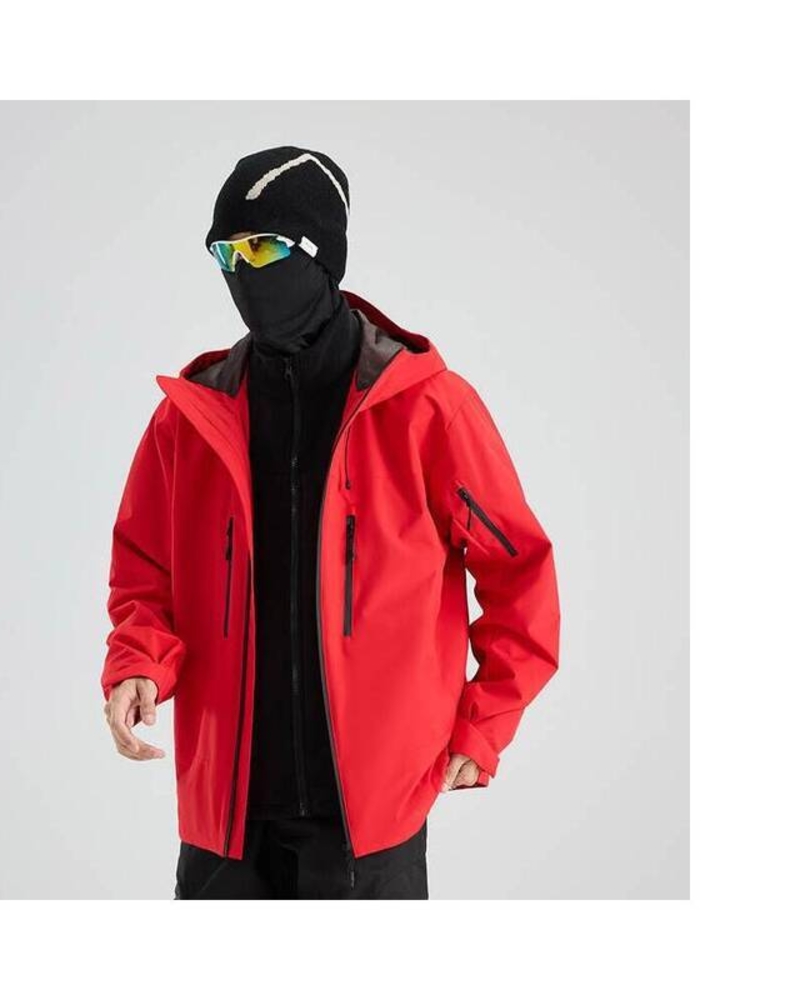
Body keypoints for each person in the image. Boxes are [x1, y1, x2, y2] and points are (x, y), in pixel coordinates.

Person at [102, 146, 560, 899]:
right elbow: (143, 570)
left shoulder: (426, 409)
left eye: (262, 247)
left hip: (369, 820)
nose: (242, 271)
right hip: (226, 816)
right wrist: (138, 664)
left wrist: (484, 724)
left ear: (321, 255)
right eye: (226, 253)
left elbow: (521, 574)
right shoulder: (192, 418)